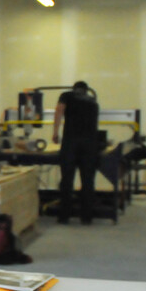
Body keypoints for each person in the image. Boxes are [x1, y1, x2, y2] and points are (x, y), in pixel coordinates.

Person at [52, 81, 101, 224]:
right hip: (90, 144)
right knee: (88, 181)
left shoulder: (66, 95)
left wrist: (55, 132)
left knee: (67, 179)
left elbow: (59, 110)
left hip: (71, 143)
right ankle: (86, 217)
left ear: (74, 89)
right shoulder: (93, 101)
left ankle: (64, 216)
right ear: (86, 90)